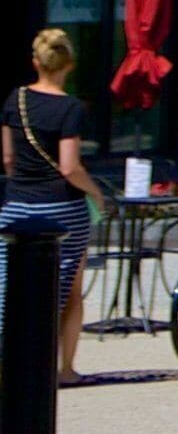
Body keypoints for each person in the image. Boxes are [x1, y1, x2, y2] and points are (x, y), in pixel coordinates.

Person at [3, 27, 110, 384]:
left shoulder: (14, 100)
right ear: (70, 64)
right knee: (66, 289)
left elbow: (7, 159)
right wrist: (95, 192)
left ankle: (8, 364)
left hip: (17, 203)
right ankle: (62, 369)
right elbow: (69, 167)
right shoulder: (70, 108)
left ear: (36, 62)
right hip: (62, 208)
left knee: (7, 287)